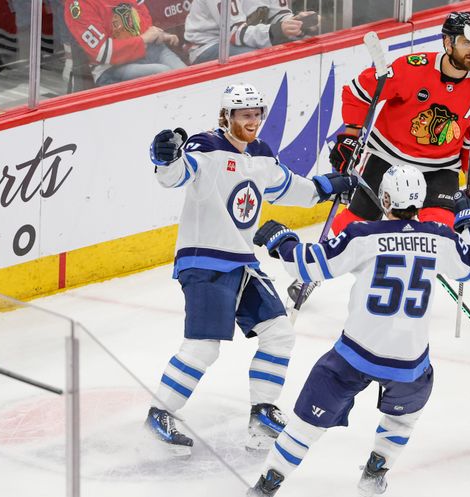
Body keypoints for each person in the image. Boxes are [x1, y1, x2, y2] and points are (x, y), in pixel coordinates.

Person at [246, 165, 470, 497]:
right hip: (410, 364)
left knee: (304, 427)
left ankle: (265, 486)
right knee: (403, 419)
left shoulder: (364, 235)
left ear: (386, 199)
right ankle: (376, 470)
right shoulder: (441, 236)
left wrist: (283, 242)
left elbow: (310, 265)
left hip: (354, 355)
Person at [145, 83, 357, 454]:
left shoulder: (260, 154)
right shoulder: (205, 146)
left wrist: (328, 186)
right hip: (206, 259)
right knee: (204, 347)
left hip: (242, 262)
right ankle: (159, 413)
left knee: (279, 333)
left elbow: (290, 188)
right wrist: (165, 158)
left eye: (257, 114)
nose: (253, 121)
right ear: (226, 117)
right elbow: (176, 174)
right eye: (245, 115)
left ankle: (263, 413)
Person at [288, 11, 470, 302]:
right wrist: (350, 136)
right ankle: (321, 264)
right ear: (447, 43)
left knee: (438, 229)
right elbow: (358, 93)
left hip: (440, 168)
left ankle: (404, 278)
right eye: (465, 42)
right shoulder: (413, 68)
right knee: (358, 221)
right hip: (389, 156)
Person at [64, 0, 186, 86]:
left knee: (186, 74)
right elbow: (103, 52)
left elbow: (143, 22)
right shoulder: (77, 5)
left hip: (149, 49)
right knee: (164, 74)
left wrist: (157, 35)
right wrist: (143, 39)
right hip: (112, 67)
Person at [185, 0, 319, 64]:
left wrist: (296, 22)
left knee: (301, 44)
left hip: (244, 38)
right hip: (208, 46)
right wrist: (278, 30)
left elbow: (278, 15)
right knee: (256, 57)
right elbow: (235, 34)